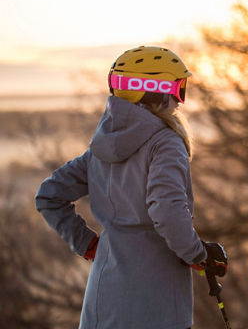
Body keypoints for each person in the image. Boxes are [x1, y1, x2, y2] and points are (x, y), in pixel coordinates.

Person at [35, 45, 227, 329]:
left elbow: (49, 196)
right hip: (158, 307)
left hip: (102, 306)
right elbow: (166, 210)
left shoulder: (100, 146)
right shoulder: (166, 143)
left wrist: (88, 245)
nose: (180, 101)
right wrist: (199, 255)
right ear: (154, 91)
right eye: (178, 88)